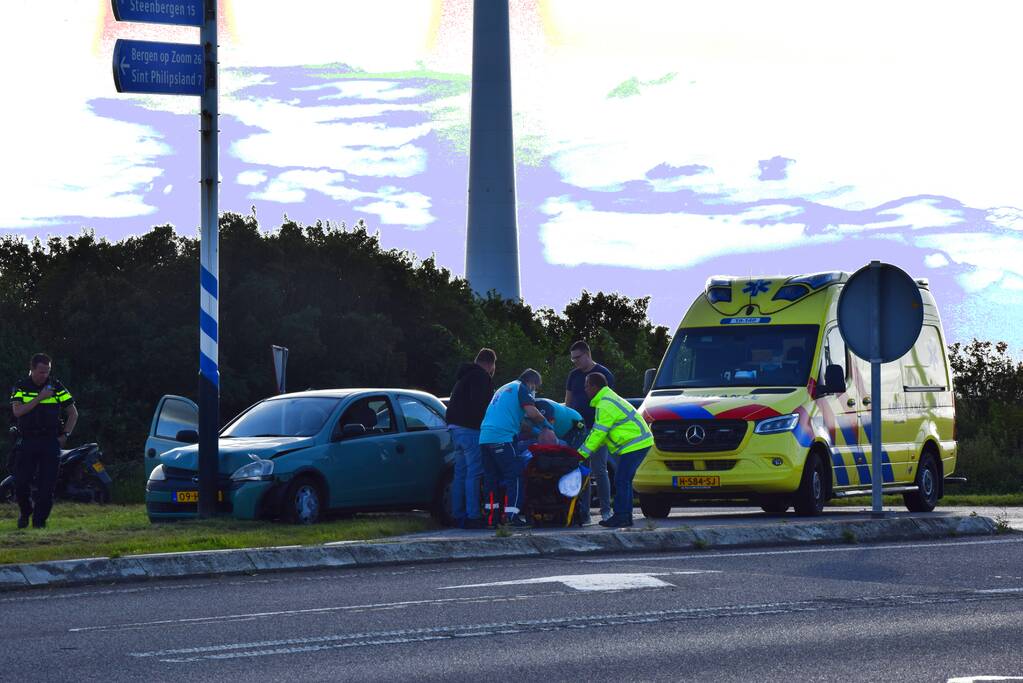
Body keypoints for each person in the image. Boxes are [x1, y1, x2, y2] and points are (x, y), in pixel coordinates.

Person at [479, 369, 555, 528]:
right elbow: (532, 412)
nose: (534, 391)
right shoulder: (521, 388)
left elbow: (519, 422)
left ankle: (492, 518)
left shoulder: (505, 388)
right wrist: (545, 425)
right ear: (531, 383)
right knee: (515, 475)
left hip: (485, 438)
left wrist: (535, 432)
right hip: (502, 438)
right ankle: (511, 516)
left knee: (491, 479)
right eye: (535, 387)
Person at [9, 353, 78, 529]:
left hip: (50, 441)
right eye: (41, 372)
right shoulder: (21, 386)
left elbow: (73, 413)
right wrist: (40, 397)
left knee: (47, 486)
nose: (45, 375)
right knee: (21, 482)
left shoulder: (56, 386)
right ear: (32, 369)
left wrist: (65, 435)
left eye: (47, 371)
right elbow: (18, 411)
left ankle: (39, 523)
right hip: (28, 440)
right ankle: (26, 512)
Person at [578, 372, 653, 528]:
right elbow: (601, 434)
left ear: (594, 387)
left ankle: (621, 516)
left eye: (586, 385)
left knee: (621, 479)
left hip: (635, 444)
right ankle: (625, 516)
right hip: (638, 442)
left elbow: (598, 433)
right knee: (624, 479)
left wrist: (580, 454)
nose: (585, 389)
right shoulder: (607, 399)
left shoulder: (605, 404)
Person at [445, 348, 497, 529]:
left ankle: (457, 514)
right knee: (474, 473)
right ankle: (473, 515)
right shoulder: (481, 377)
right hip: (470, 429)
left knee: (460, 473)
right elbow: (481, 405)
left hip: (454, 428)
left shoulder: (464, 376)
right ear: (491, 364)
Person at [565, 340, 615, 522]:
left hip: (598, 429)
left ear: (587, 354)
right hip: (578, 430)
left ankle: (606, 511)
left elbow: (609, 403)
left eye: (577, 358)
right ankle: (583, 513)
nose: (575, 362)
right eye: (572, 359)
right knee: (580, 470)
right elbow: (568, 402)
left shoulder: (603, 374)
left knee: (600, 470)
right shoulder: (573, 375)